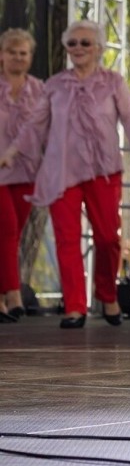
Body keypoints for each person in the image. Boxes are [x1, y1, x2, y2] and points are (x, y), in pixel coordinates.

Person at [0, 19, 130, 328]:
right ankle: (75, 307)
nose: (78, 48)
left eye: (84, 43)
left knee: (107, 238)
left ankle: (107, 295)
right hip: (61, 171)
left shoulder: (113, 82)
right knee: (67, 240)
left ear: (99, 48)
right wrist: (11, 152)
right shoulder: (54, 85)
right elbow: (35, 125)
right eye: (72, 43)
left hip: (103, 171)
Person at [0, 28, 43, 321]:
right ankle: (13, 294)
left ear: (30, 57)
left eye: (23, 53)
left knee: (10, 238)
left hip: (27, 170)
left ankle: (1, 299)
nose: (17, 57)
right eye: (12, 52)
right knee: (7, 228)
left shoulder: (40, 90)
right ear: (2, 55)